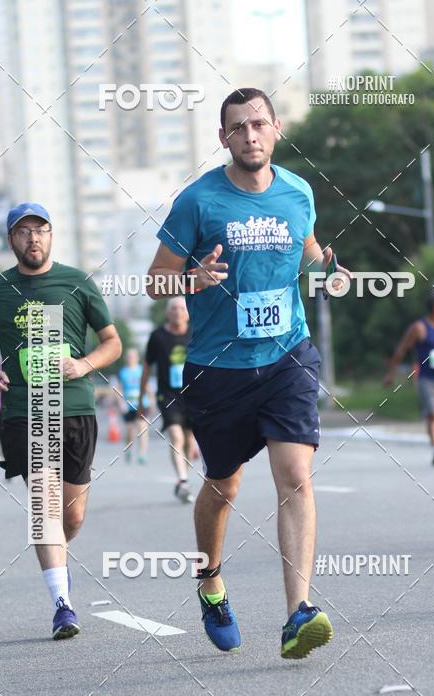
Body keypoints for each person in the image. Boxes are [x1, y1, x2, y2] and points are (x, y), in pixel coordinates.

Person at [146, 87, 352, 659]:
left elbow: (305, 245)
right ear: (223, 138)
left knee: (296, 475)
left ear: (276, 128)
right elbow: (154, 278)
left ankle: (297, 615)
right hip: (219, 367)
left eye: (259, 124)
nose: (250, 135)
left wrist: (326, 266)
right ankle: (210, 581)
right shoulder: (198, 202)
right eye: (238, 128)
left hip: (287, 355)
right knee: (223, 485)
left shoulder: (299, 191)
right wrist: (191, 280)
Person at [0, 202, 121, 637]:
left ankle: (58, 566)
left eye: (41, 230)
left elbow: (112, 342)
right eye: (23, 231)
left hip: (75, 407)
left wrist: (85, 365)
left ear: (51, 236)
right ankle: (62, 604)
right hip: (26, 409)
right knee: (44, 505)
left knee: (70, 517)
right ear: (10, 239)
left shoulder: (76, 283)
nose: (33, 238)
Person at [383, 292, 434, 466]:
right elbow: (402, 349)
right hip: (426, 380)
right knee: (433, 414)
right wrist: (391, 373)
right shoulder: (419, 328)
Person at [140, 297, 195, 503]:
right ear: (167, 312)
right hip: (168, 395)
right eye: (174, 308)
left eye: (182, 308)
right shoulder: (158, 336)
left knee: (189, 441)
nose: (178, 312)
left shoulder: (195, 333)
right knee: (176, 437)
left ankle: (184, 478)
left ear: (188, 313)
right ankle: (182, 480)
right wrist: (142, 397)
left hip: (192, 393)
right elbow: (146, 366)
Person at [117, 348, 149, 464]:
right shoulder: (122, 372)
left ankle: (142, 454)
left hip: (142, 404)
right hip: (128, 405)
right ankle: (129, 449)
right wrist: (121, 403)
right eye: (129, 356)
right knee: (130, 432)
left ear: (137, 358)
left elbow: (148, 387)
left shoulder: (142, 370)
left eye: (133, 356)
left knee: (142, 429)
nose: (131, 358)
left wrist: (151, 402)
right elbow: (118, 389)